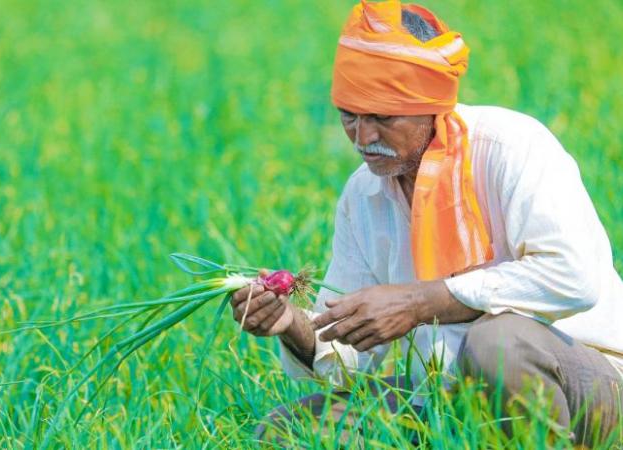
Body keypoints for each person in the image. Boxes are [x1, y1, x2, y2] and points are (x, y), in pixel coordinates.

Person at [229, 0, 623, 445]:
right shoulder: (364, 195)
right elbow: (345, 353)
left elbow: (573, 278)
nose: (362, 138)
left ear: (431, 106)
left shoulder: (512, 148)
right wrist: (290, 324)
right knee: (292, 428)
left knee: (498, 345)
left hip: (589, 387)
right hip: (446, 393)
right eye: (349, 115)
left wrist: (420, 302)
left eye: (381, 117)